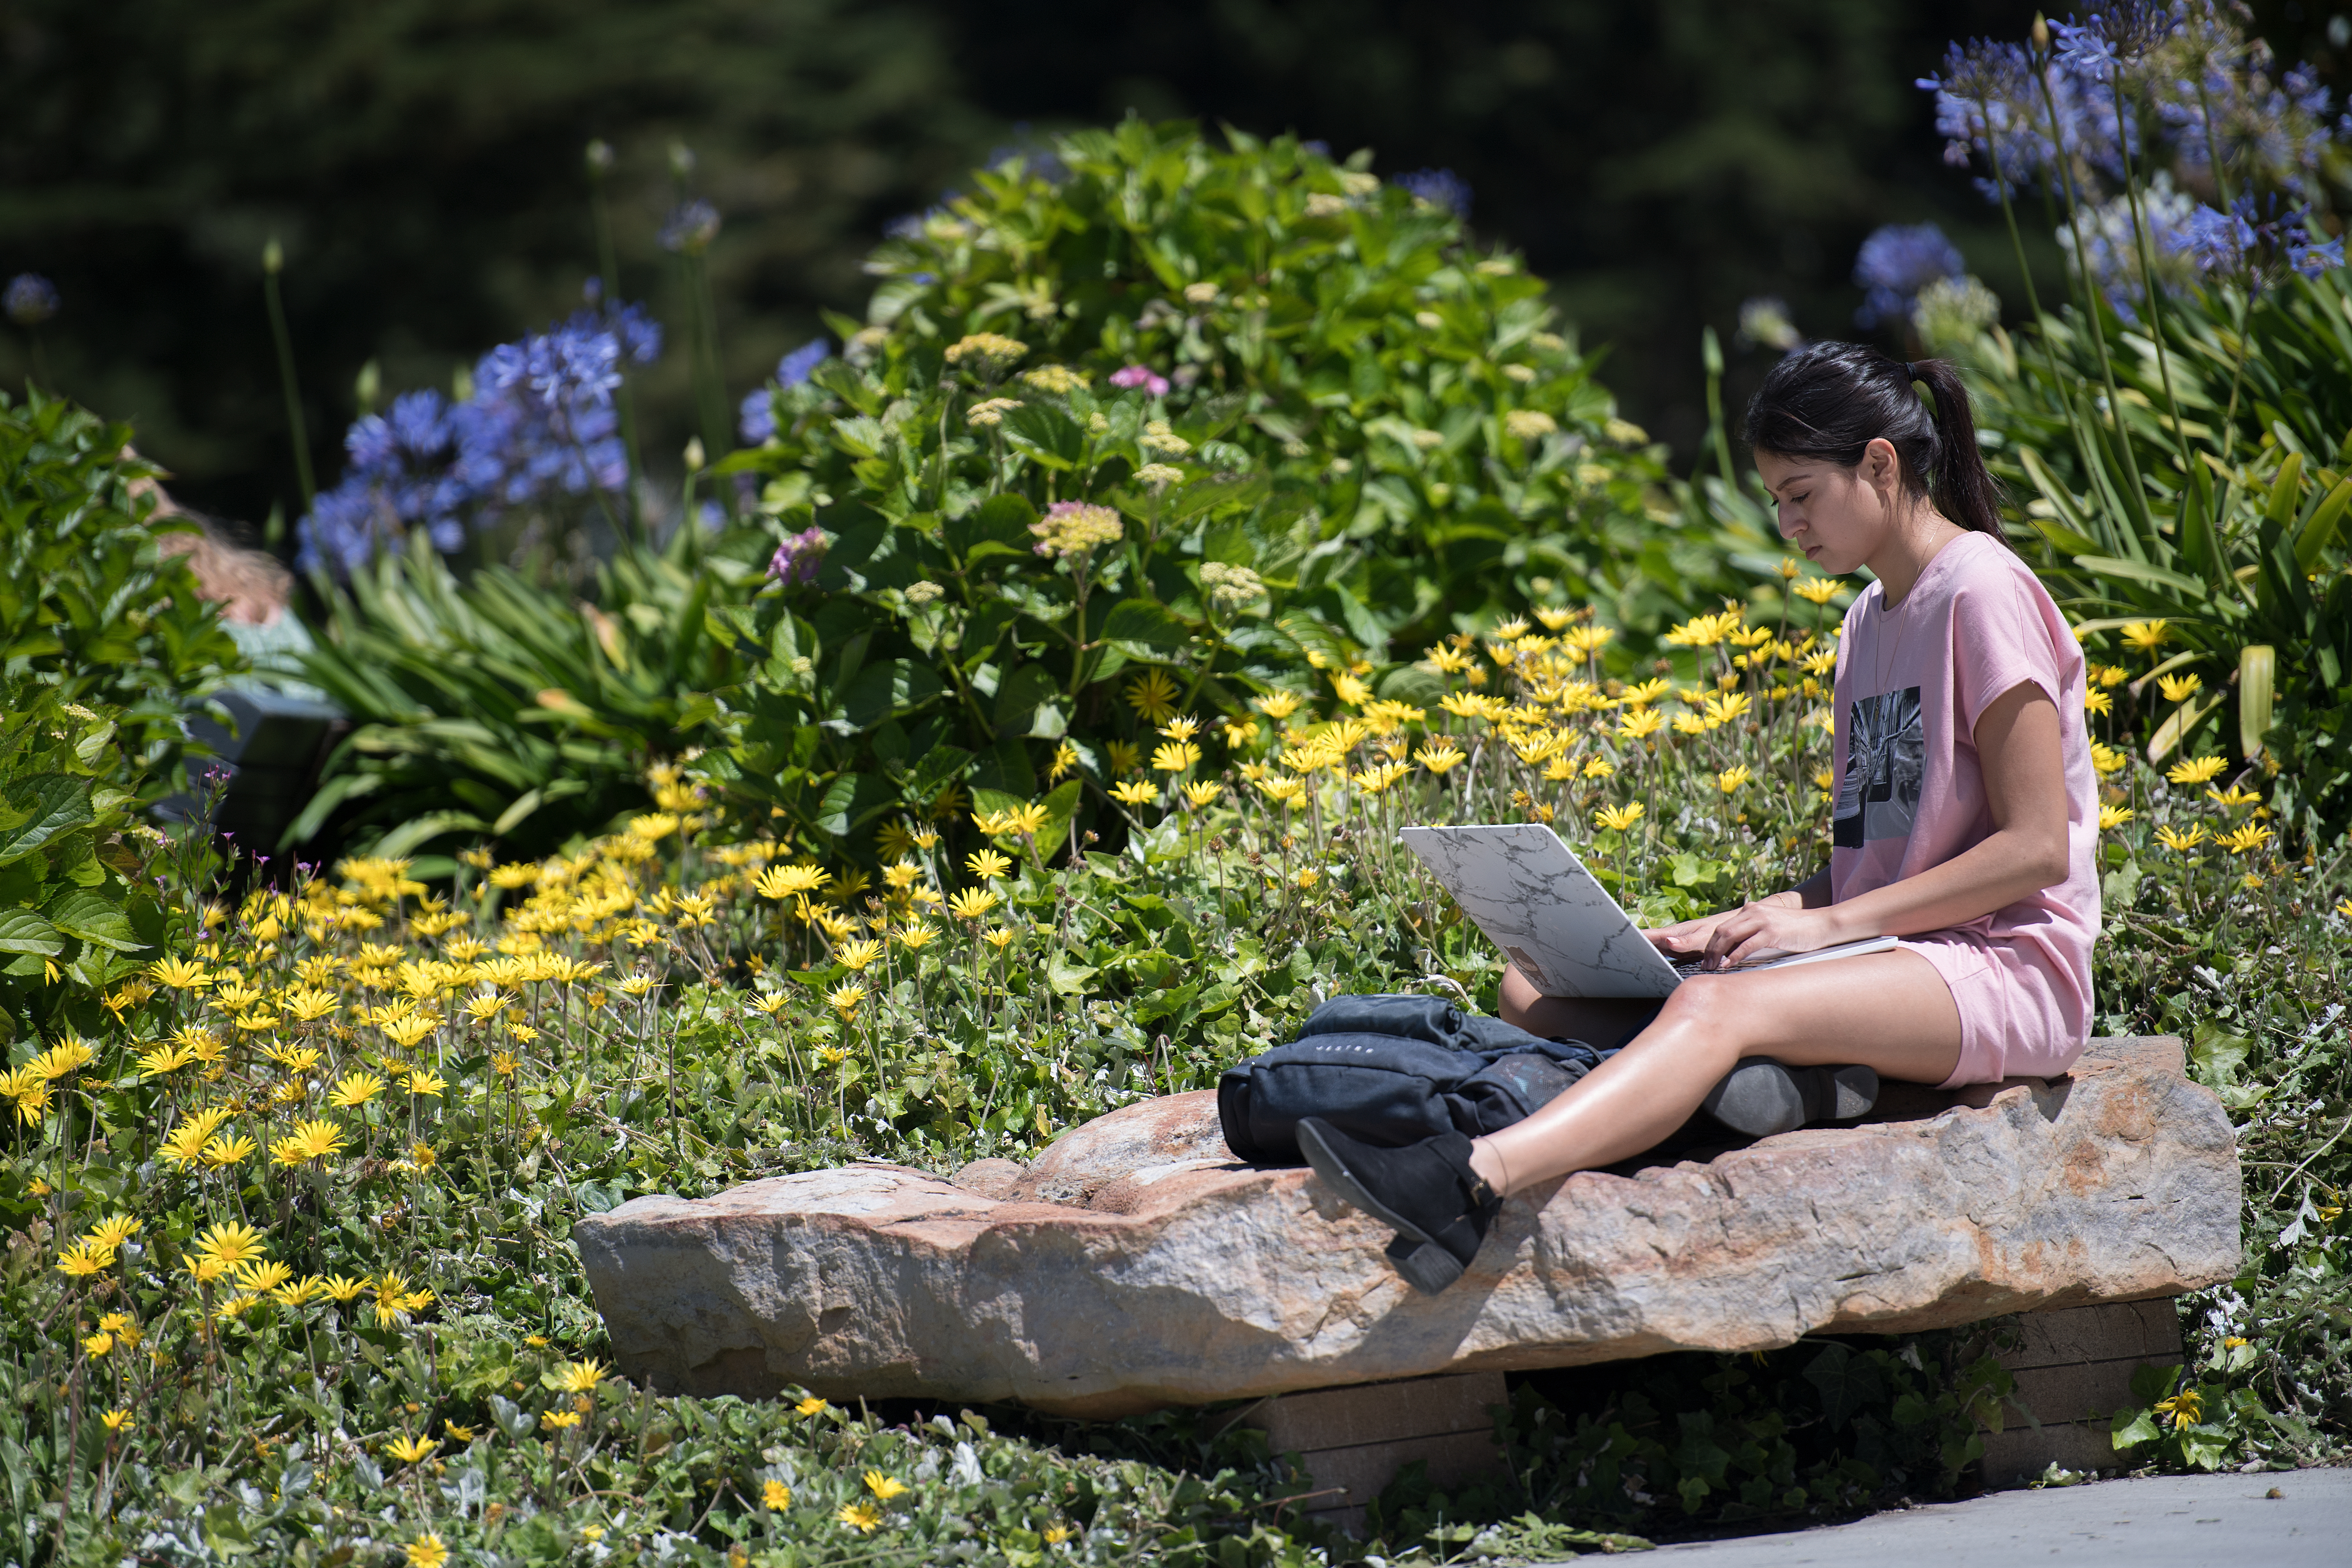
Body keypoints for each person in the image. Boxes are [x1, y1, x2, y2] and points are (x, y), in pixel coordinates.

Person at [1297, 341, 2101, 1292]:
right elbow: (1875, 855)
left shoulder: (1984, 588)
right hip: (1887, 953)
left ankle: (1469, 1180)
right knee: (1534, 990)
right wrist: (1753, 915)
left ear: (1880, 465)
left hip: (2004, 965)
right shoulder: (1866, 623)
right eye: (1775, 499)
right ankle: (1790, 1081)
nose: (1787, 522)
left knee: (1712, 1003)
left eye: (1802, 493)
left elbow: (2034, 848)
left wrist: (1827, 924)